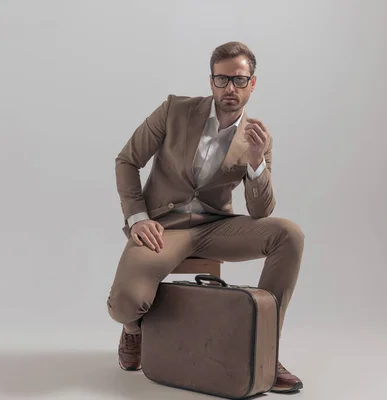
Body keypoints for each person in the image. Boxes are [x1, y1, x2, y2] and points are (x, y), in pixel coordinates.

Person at [107, 41, 305, 394]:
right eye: (222, 79)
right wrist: (138, 217)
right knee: (125, 305)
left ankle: (267, 351)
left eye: (240, 80)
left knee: (289, 234)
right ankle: (134, 332)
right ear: (211, 81)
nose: (231, 88)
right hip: (162, 227)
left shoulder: (257, 137)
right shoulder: (174, 110)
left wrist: (258, 161)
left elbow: (261, 212)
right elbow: (127, 160)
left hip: (215, 227)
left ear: (253, 83)